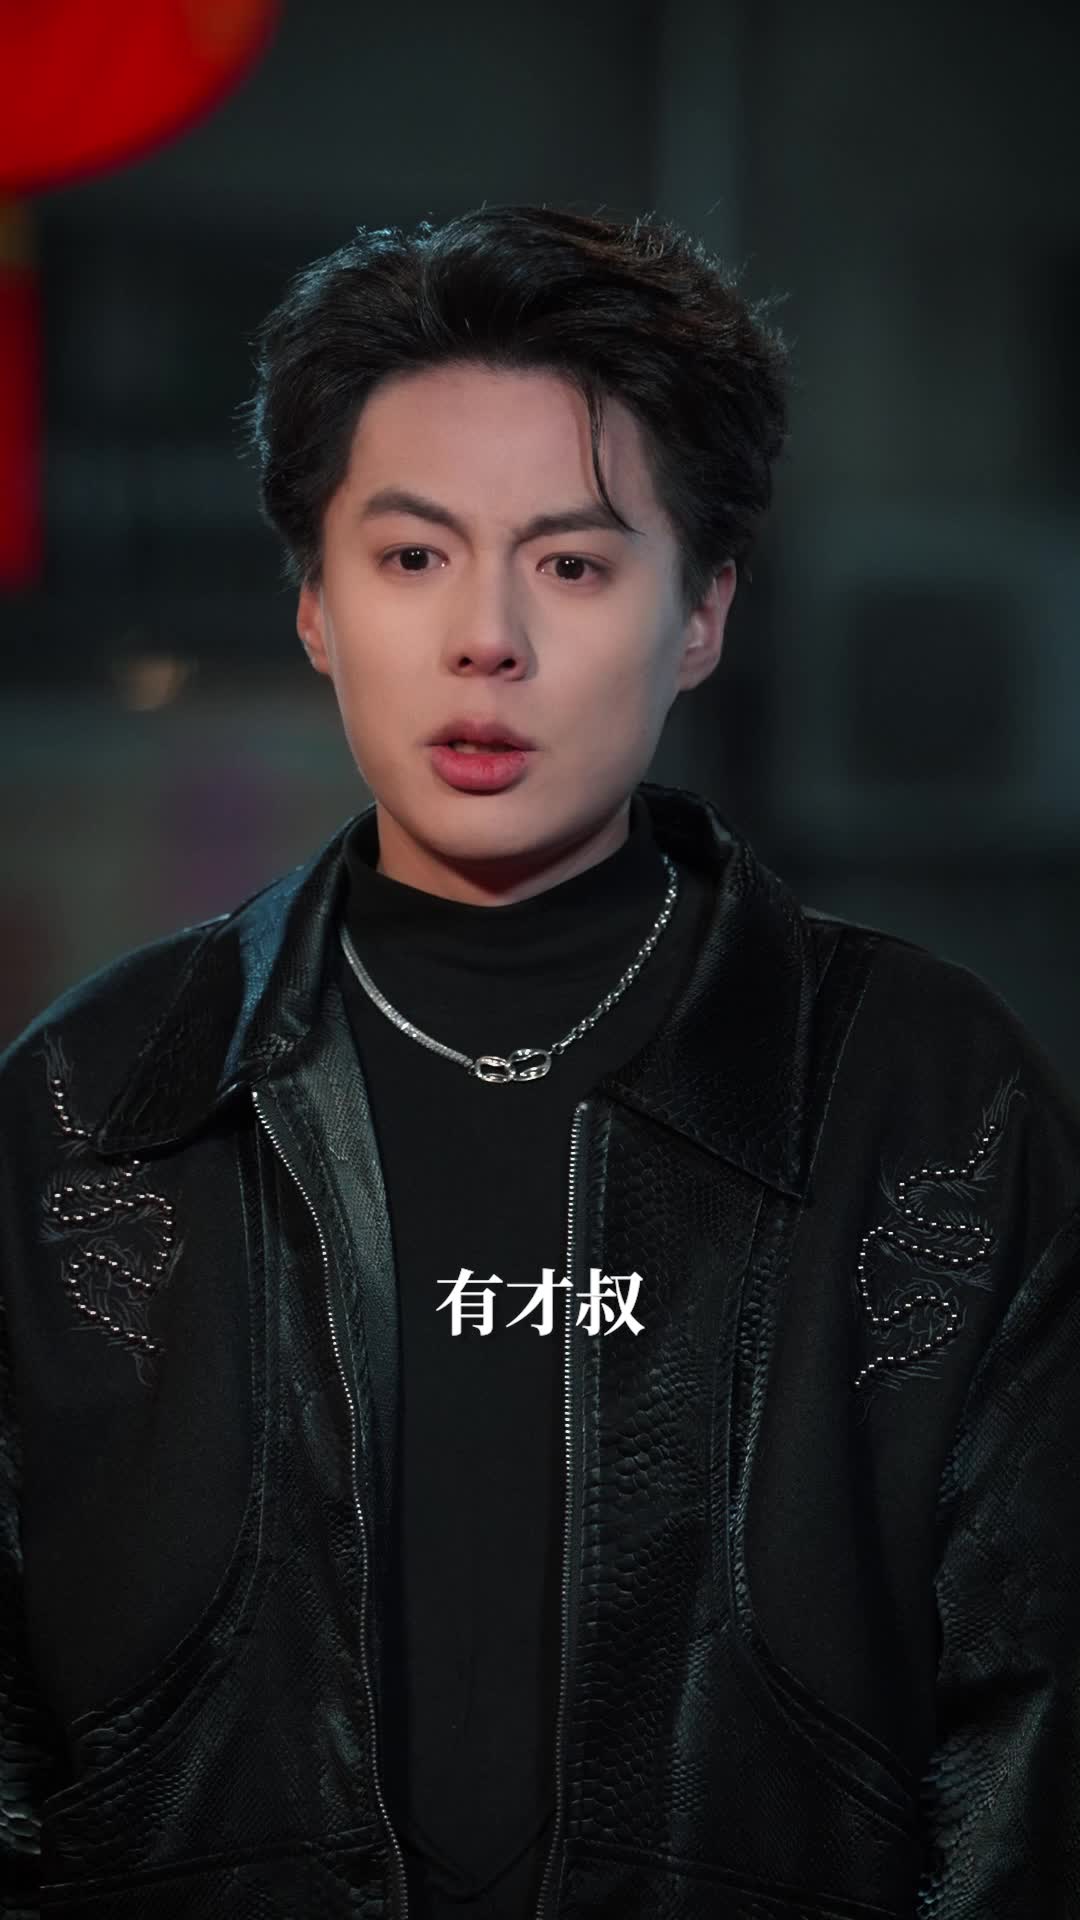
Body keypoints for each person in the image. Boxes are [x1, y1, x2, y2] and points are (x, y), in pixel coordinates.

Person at [1, 203, 1078, 1920]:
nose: (485, 637)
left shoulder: (932, 1100)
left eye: (572, 565)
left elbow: (1031, 1762)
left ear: (703, 611)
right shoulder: (92, 1105)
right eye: (410, 557)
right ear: (314, 605)